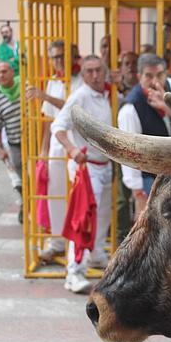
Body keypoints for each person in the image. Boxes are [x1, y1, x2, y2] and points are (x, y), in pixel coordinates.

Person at [51, 55, 113, 293]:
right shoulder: (80, 96)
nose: (95, 75)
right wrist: (72, 149)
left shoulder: (107, 92)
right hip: (86, 166)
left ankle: (96, 254)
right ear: (83, 74)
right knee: (83, 219)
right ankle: (74, 272)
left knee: (103, 214)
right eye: (89, 71)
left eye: (98, 70)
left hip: (105, 163)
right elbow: (57, 126)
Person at [27, 40, 84, 263]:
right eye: (54, 57)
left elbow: (74, 110)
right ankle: (57, 242)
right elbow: (48, 119)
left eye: (62, 56)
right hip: (56, 145)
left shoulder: (80, 80)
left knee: (78, 195)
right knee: (56, 194)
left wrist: (46, 97)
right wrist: (43, 150)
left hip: (76, 144)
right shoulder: (52, 81)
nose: (58, 61)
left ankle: (78, 244)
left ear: (73, 57)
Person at [118, 53, 171, 203]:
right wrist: (138, 194)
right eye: (148, 76)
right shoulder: (131, 108)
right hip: (147, 180)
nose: (155, 81)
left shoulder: (168, 88)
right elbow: (128, 152)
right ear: (139, 77)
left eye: (160, 75)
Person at [0, 61, 23, 220]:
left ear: (12, 72)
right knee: (21, 177)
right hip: (15, 142)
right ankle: (26, 203)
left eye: (4, 71)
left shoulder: (25, 86)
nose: (1, 75)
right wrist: (0, 149)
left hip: (35, 141)